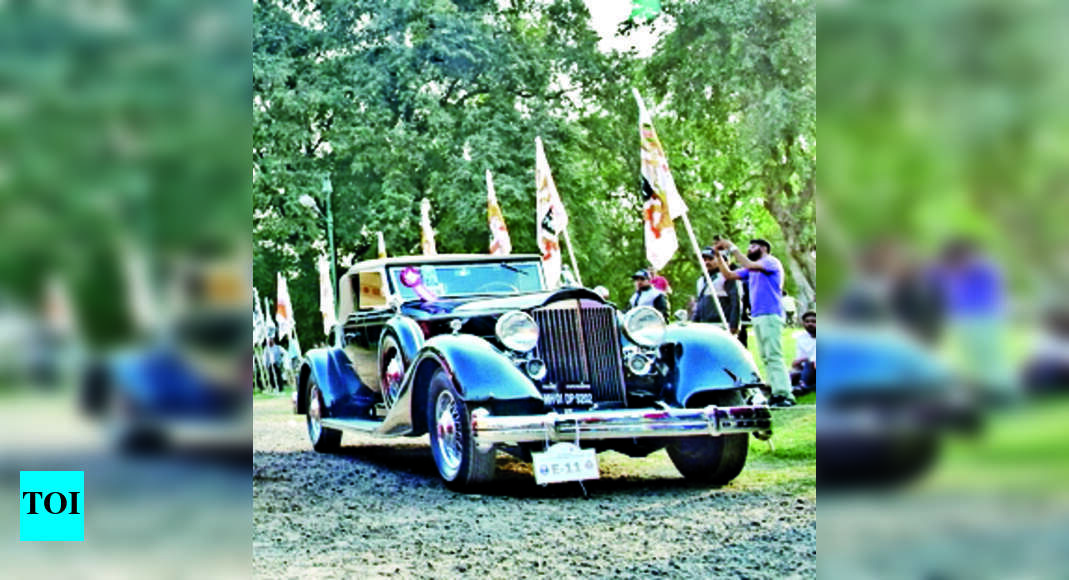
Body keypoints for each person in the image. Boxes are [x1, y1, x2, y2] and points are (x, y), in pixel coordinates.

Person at [714, 238, 795, 406]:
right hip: (757, 315)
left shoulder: (770, 262)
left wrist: (732, 247)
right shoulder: (751, 269)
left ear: (764, 248)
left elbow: (749, 264)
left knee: (773, 355)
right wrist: (718, 256)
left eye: (753, 246)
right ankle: (775, 392)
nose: (749, 248)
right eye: (749, 246)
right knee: (765, 356)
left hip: (770, 313)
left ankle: (785, 394)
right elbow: (729, 275)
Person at [693, 246, 740, 334]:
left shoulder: (726, 277)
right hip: (704, 325)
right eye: (704, 259)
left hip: (722, 324)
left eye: (710, 259)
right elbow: (699, 304)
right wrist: (694, 322)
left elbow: (735, 302)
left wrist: (734, 325)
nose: (707, 262)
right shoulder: (701, 280)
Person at [791, 311, 816, 396]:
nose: (810, 324)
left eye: (813, 321)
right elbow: (799, 359)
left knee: (810, 364)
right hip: (809, 371)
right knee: (793, 374)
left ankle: (802, 386)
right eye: (807, 322)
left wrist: (804, 360)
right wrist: (796, 364)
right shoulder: (801, 338)